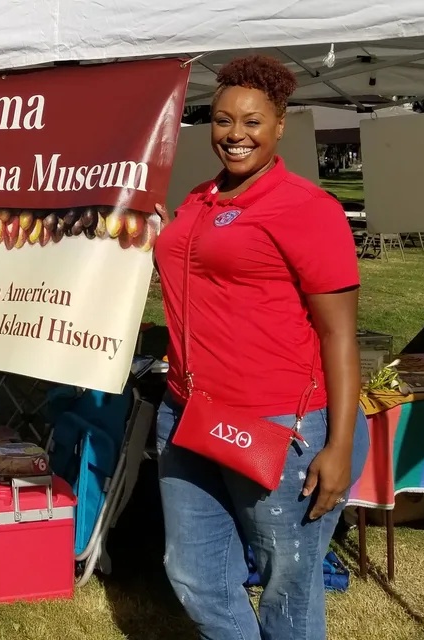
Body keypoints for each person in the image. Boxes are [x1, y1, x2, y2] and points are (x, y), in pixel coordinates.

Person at [153, 54, 368, 640]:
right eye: (223, 120)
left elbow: (339, 334)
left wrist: (341, 445)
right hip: (187, 409)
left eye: (252, 121)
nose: (235, 135)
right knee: (194, 572)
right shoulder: (199, 200)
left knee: (286, 585)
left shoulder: (307, 209)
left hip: (277, 422)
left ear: (280, 125)